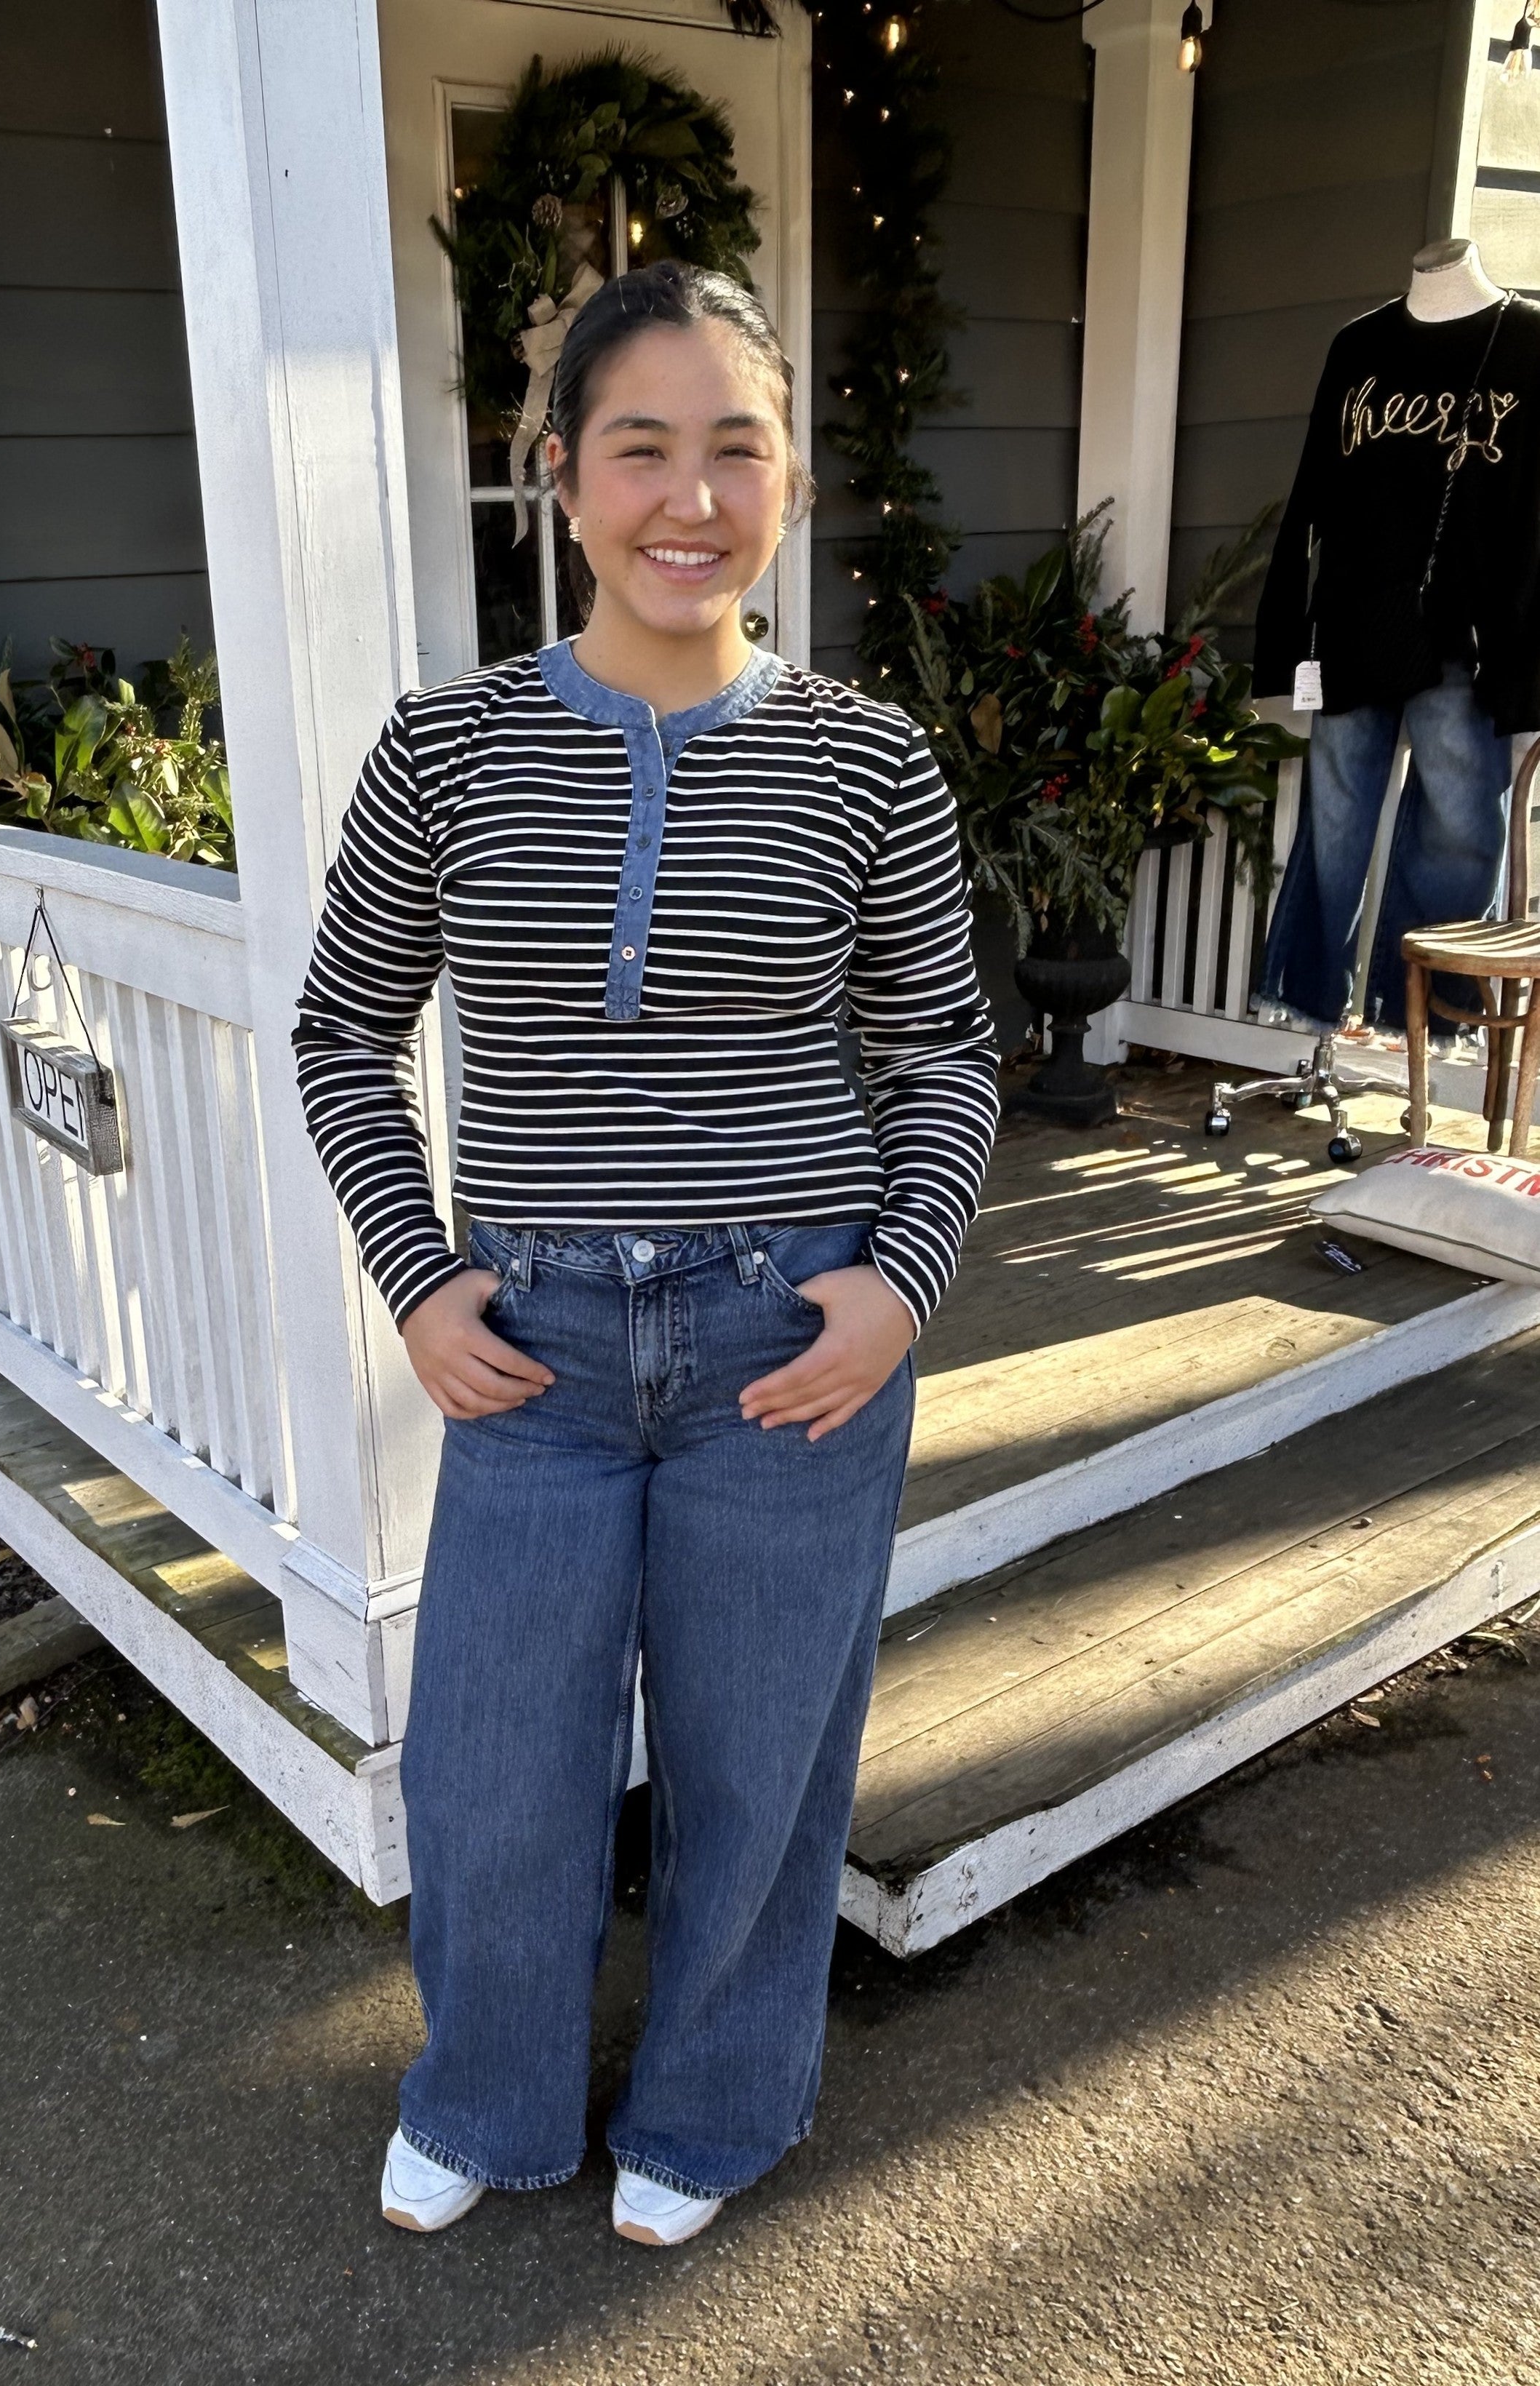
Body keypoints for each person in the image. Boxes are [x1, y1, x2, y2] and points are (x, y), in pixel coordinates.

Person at [293, 259, 999, 2247]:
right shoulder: (443, 749)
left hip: (794, 1327)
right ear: (557, 476)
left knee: (757, 1769)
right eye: (639, 449)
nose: (688, 499)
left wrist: (900, 1276)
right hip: (533, 1339)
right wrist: (418, 1277)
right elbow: (343, 1031)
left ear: (788, 478)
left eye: (735, 450)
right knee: (495, 1773)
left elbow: (941, 1047)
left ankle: (708, 2113)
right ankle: (488, 2095)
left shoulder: (868, 762)